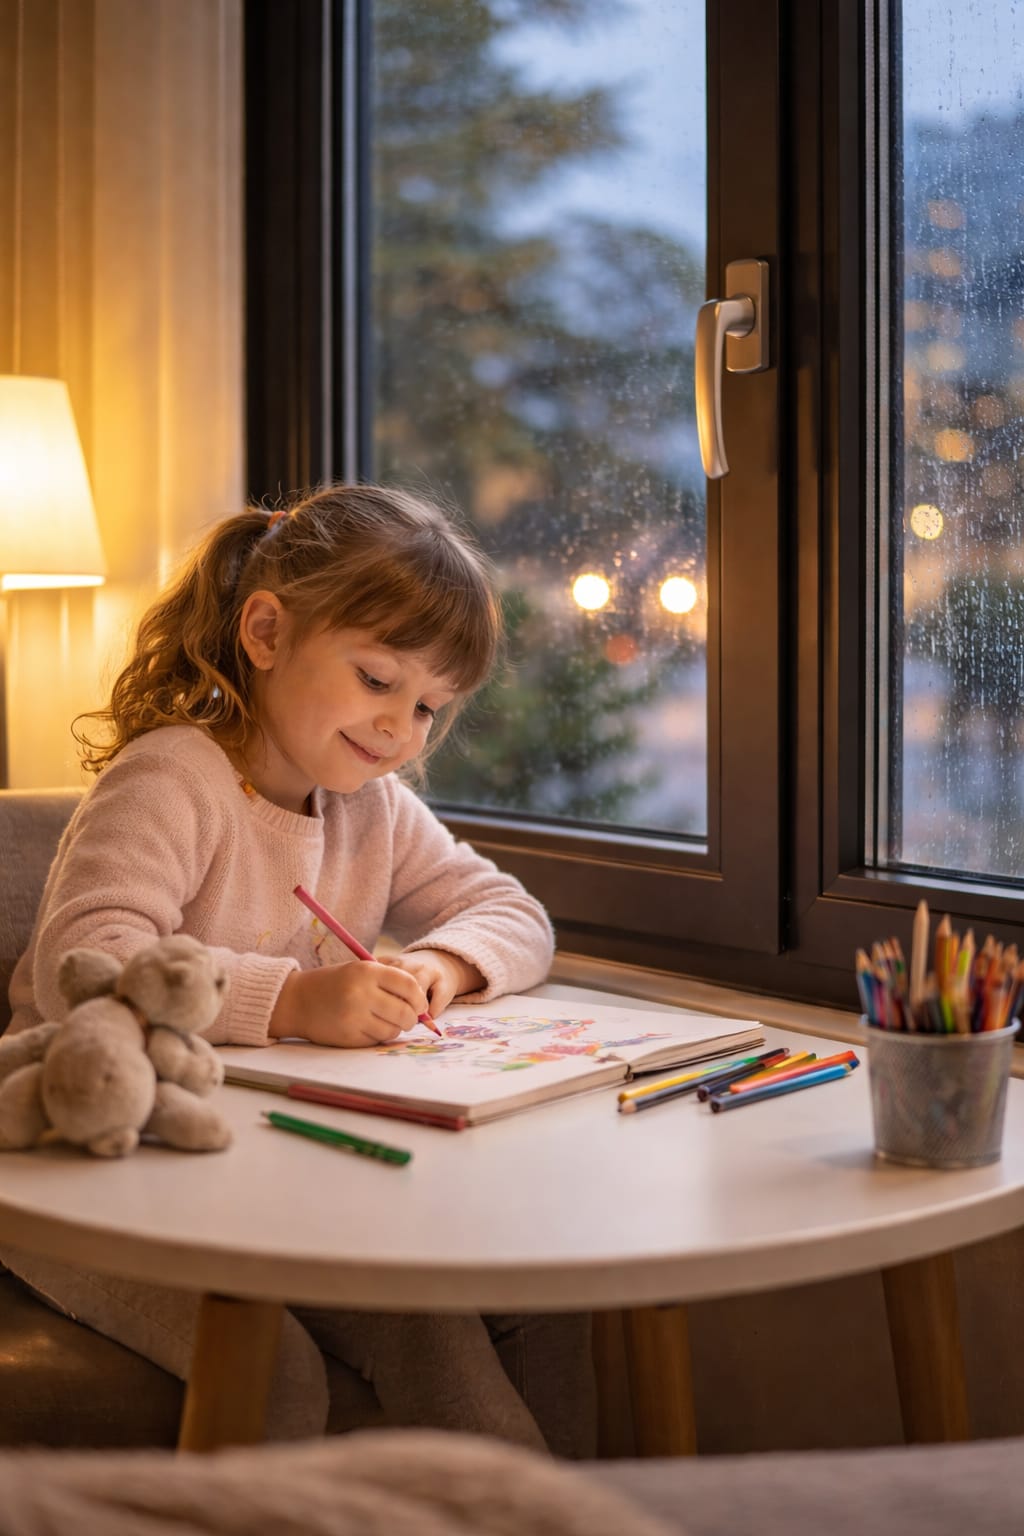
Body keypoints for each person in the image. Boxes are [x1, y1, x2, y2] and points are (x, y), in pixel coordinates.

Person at [3, 483, 596, 1457]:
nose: (400, 730)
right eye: (376, 679)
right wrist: (291, 1001)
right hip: (83, 1175)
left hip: (256, 1177)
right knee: (272, 1373)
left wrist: (441, 966)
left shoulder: (370, 806)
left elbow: (512, 914)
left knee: (437, 1339)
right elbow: (89, 960)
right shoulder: (172, 777)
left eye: (428, 707)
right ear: (267, 632)